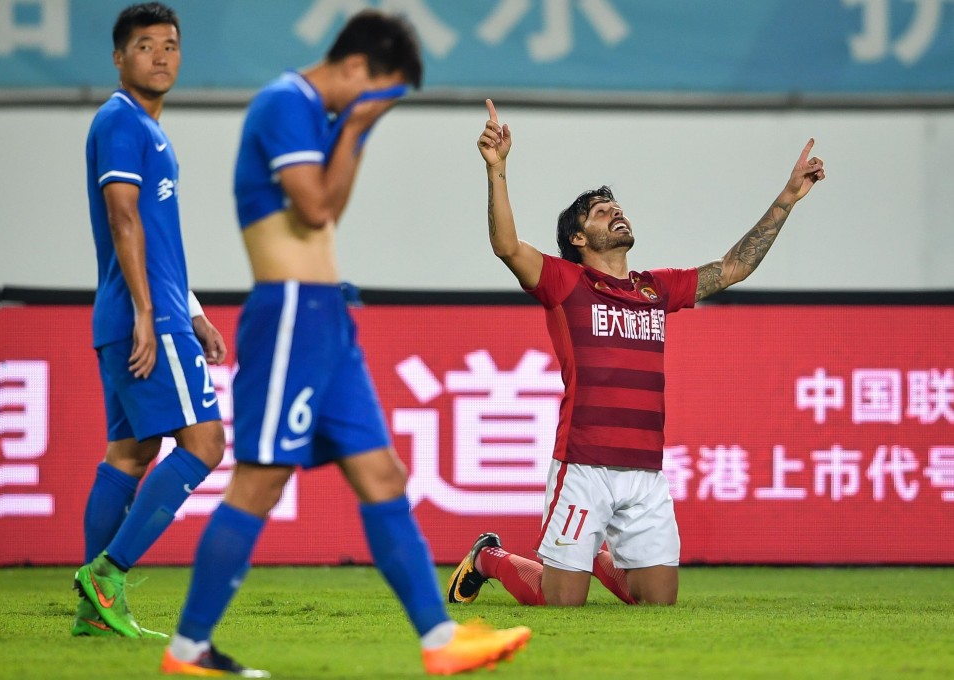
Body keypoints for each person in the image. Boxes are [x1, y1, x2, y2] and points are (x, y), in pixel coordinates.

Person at [160, 12, 531, 678]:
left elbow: (325, 209)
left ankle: (439, 640)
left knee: (383, 475)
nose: (379, 109)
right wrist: (360, 125)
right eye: (382, 93)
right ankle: (188, 650)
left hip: (327, 315)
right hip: (291, 314)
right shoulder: (283, 103)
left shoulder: (319, 117)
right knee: (259, 483)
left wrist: (355, 124)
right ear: (357, 69)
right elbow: (316, 209)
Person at [448, 99, 826, 608]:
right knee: (563, 604)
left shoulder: (655, 289)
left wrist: (787, 198)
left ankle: (596, 556)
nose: (616, 213)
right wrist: (497, 170)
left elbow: (732, 268)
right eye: (601, 212)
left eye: (616, 208)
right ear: (579, 238)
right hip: (583, 466)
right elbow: (507, 246)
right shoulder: (567, 282)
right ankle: (489, 556)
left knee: (656, 605)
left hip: (646, 472)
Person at [73, 2, 227, 639]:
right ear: (118, 57)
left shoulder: (144, 127)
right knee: (205, 444)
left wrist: (191, 310)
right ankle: (106, 575)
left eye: (170, 44)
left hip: (144, 310)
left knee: (131, 452)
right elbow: (123, 220)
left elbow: (156, 237)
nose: (161, 55)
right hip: (143, 314)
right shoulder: (121, 122)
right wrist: (151, 312)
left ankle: (93, 610)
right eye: (145, 45)